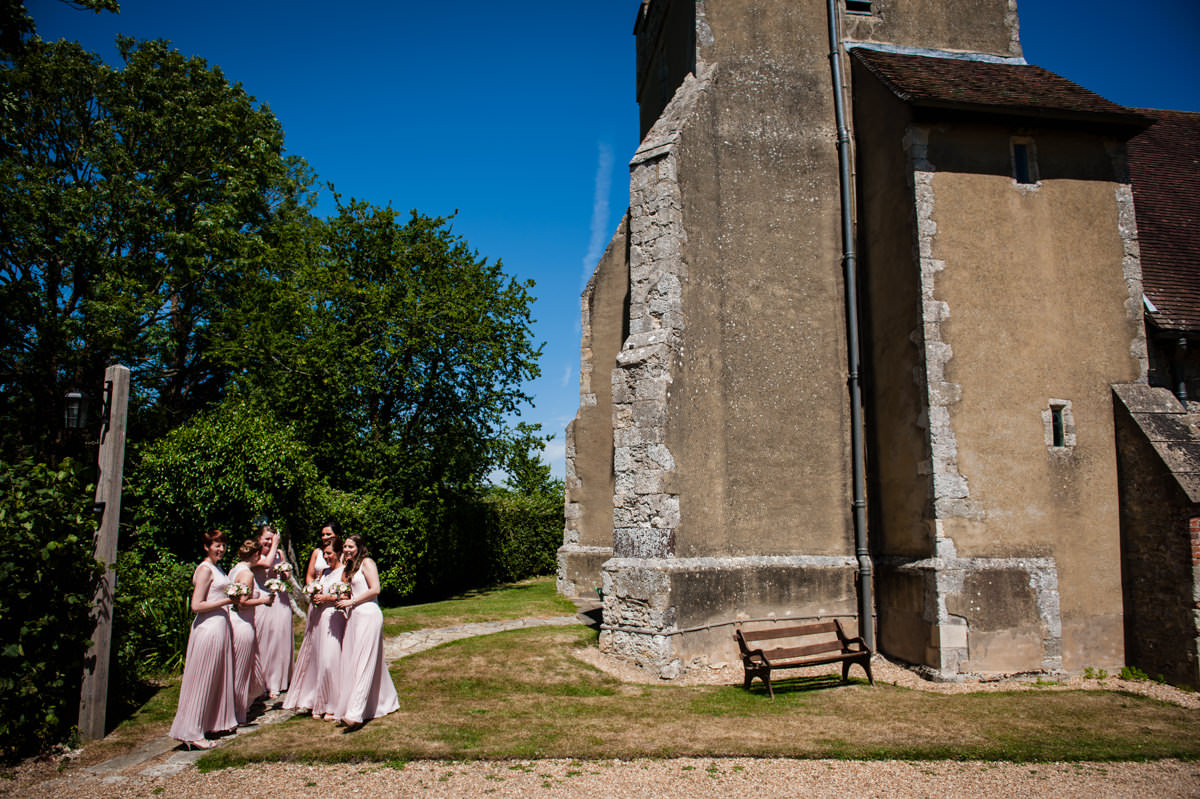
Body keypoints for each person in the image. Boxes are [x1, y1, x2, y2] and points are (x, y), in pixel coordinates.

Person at [168, 530, 237, 749]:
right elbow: (196, 605)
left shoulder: (218, 568)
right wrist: (228, 600)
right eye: (217, 545)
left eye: (223, 545)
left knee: (215, 678)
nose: (221, 549)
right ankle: (192, 731)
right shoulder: (206, 569)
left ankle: (207, 724)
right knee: (202, 678)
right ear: (206, 546)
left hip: (220, 626)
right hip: (208, 628)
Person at [334, 534, 398, 729]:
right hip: (354, 618)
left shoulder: (367, 563)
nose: (346, 550)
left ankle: (355, 714)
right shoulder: (350, 567)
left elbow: (375, 589)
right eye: (344, 547)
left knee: (365, 660)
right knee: (355, 660)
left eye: (350, 547)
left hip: (369, 614)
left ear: (360, 547)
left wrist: (352, 601)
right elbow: (344, 586)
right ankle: (385, 700)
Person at [284, 537, 344, 716]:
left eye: (330, 553)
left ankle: (332, 704)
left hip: (334, 619)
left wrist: (327, 598)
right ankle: (318, 701)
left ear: (339, 553)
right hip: (319, 618)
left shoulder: (344, 572)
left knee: (329, 660)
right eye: (324, 554)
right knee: (318, 660)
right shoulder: (324, 573)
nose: (326, 557)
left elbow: (347, 594)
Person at [228, 539, 273, 725]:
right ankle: (239, 713)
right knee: (241, 670)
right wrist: (264, 601)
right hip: (243, 624)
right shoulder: (247, 574)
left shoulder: (234, 570)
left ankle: (240, 706)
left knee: (240, 667)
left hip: (234, 621)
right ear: (255, 555)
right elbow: (242, 602)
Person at [252, 523, 293, 699]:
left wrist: (285, 573)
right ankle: (260, 683)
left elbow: (286, 575)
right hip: (262, 599)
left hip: (280, 598)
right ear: (258, 539)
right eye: (266, 539)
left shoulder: (279, 554)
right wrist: (276, 543)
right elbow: (266, 564)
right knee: (263, 640)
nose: (269, 543)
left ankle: (277, 681)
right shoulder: (255, 555)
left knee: (279, 639)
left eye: (271, 539)